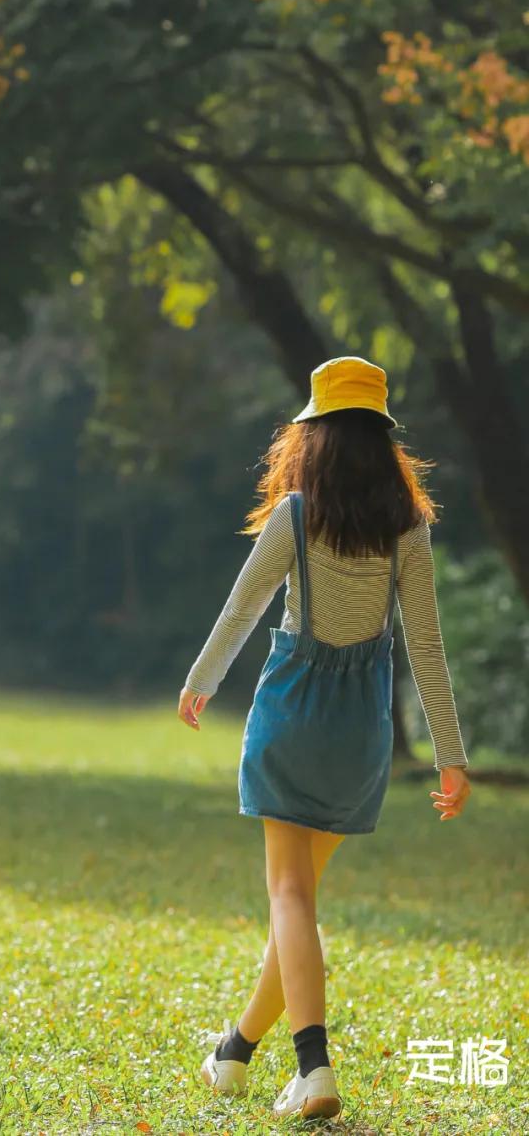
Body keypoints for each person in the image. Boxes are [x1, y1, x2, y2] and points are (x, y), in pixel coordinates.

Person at [177, 355, 471, 1122]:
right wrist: (452, 757)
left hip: (291, 714)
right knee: (298, 904)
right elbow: (427, 649)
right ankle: (235, 1053)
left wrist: (201, 679)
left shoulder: (296, 515)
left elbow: (244, 607)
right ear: (382, 441)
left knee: (288, 896)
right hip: (359, 731)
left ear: (312, 437)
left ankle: (315, 1068)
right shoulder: (408, 526)